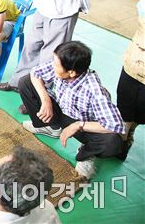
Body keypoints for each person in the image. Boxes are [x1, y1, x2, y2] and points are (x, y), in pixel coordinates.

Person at [19, 41, 124, 179]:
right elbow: (35, 73)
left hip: (83, 125)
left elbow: (116, 125)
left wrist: (78, 125)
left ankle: (86, 155)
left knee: (113, 143)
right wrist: (46, 100)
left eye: (56, 64)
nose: (53, 65)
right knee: (25, 82)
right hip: (62, 110)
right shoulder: (62, 68)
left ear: (72, 72)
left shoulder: (94, 90)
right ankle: (51, 127)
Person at [116, 0, 145, 160]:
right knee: (124, 100)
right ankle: (123, 134)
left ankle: (128, 134)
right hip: (134, 61)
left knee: (142, 109)